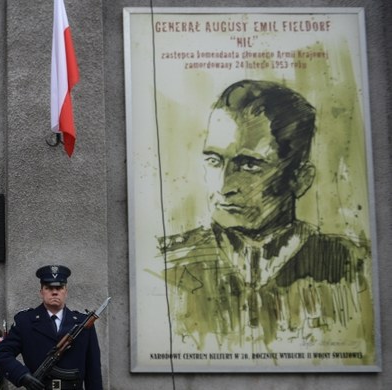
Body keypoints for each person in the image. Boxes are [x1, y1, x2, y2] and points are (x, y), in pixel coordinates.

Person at [159, 79, 374, 351]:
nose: (224, 187)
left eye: (248, 165)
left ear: (300, 178)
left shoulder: (354, 268)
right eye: (214, 161)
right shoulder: (168, 263)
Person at [0, 265, 102, 390]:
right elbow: (2, 353)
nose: (54, 292)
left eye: (59, 288)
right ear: (41, 292)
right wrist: (22, 376)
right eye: (49, 288)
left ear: (66, 292)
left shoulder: (83, 324)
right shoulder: (25, 322)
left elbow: (93, 370)